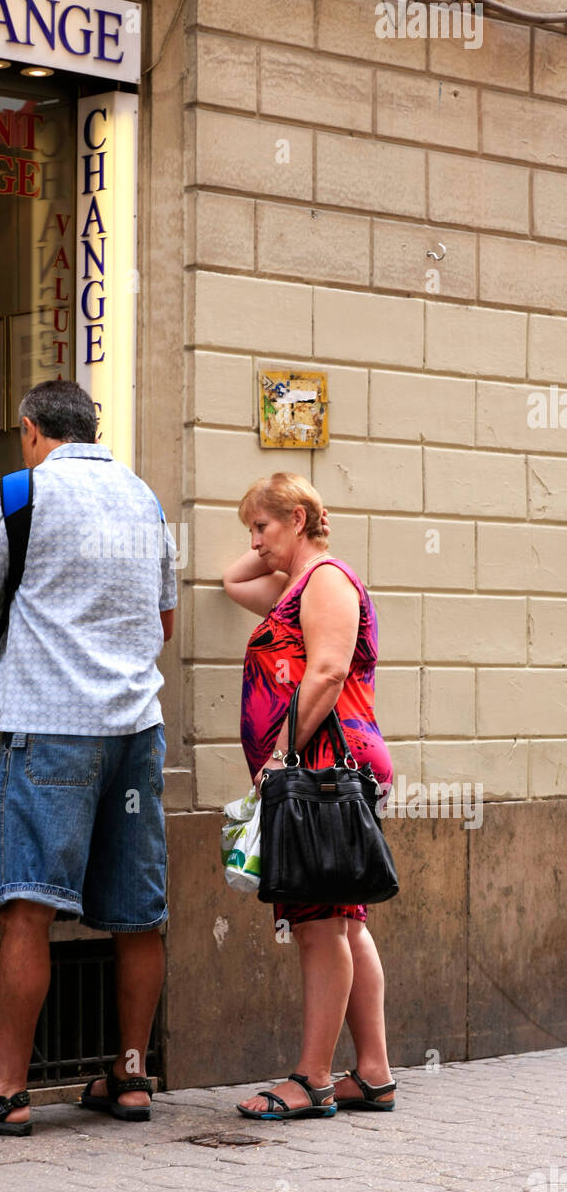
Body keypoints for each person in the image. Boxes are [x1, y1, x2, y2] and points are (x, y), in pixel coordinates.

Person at [0, 380, 176, 1135]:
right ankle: (130, 1077)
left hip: (53, 726)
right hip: (136, 731)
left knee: (28, 908)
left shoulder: (19, 495)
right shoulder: (145, 501)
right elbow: (161, 624)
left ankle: (4, 1093)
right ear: (93, 427)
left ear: (31, 431)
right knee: (138, 916)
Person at [222, 472, 396, 1121]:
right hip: (320, 766)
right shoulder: (295, 584)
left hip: (320, 767)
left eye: (262, 527)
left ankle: (312, 1078)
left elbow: (326, 670)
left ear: (297, 518)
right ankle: (372, 1073)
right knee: (344, 920)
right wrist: (274, 531)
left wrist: (278, 757)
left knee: (320, 923)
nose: (254, 543)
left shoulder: (324, 581)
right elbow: (233, 580)